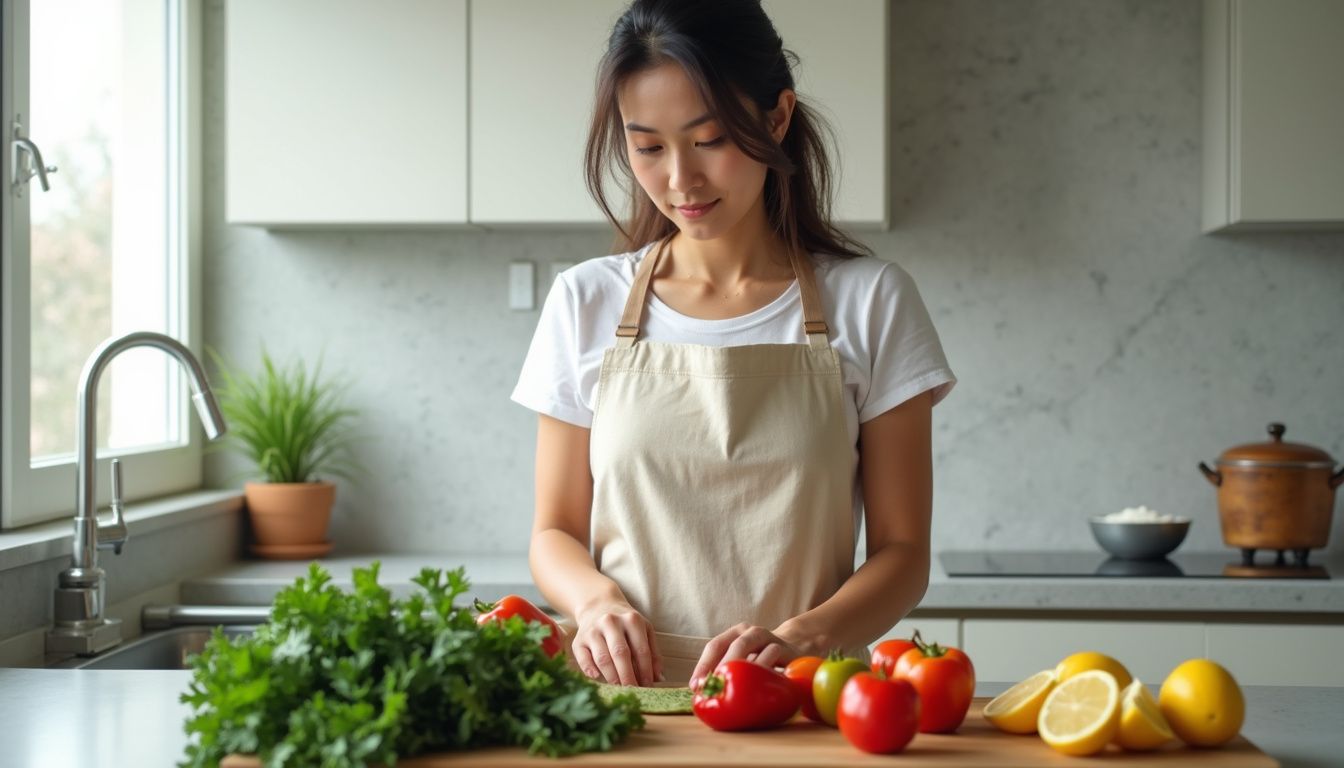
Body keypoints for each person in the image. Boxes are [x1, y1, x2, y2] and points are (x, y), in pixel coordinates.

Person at [510, 0, 955, 688]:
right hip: (622, 704)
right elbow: (553, 532)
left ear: (776, 117)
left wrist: (804, 636)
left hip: (807, 692)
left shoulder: (872, 301)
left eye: (709, 139)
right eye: (649, 147)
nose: (680, 180)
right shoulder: (584, 300)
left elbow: (903, 553)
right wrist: (594, 603)